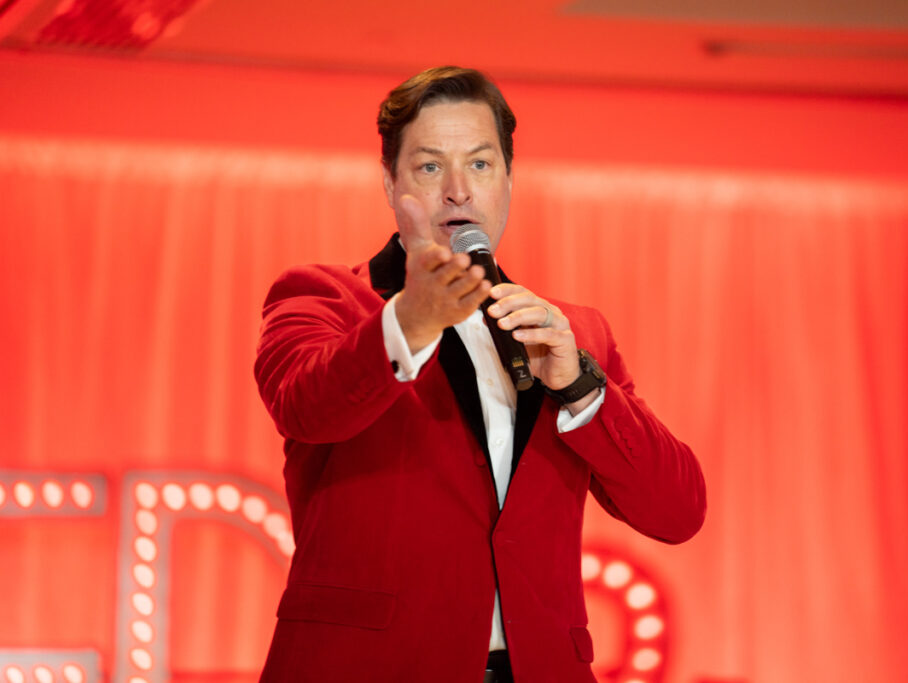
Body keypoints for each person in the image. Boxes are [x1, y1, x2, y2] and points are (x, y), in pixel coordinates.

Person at [254, 66, 706, 683]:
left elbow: (677, 511)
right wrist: (411, 321)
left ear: (509, 182)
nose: (459, 191)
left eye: (482, 165)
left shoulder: (571, 332)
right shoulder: (323, 297)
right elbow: (307, 406)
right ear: (390, 183)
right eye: (431, 166)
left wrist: (579, 387)